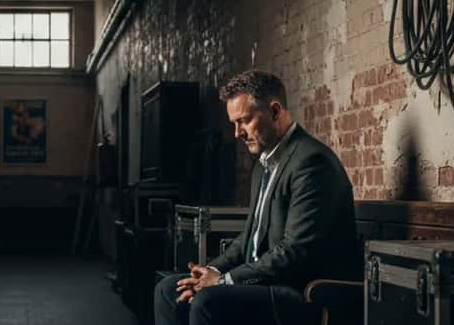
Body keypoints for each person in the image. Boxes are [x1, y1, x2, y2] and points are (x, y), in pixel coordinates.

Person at [154, 70, 361, 325]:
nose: (237, 133)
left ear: (274, 111)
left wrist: (223, 282)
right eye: (234, 123)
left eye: (244, 121)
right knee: (167, 290)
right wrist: (213, 271)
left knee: (208, 302)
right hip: (265, 284)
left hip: (303, 292)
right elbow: (249, 237)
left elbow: (294, 253)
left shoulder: (311, 163)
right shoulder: (264, 164)